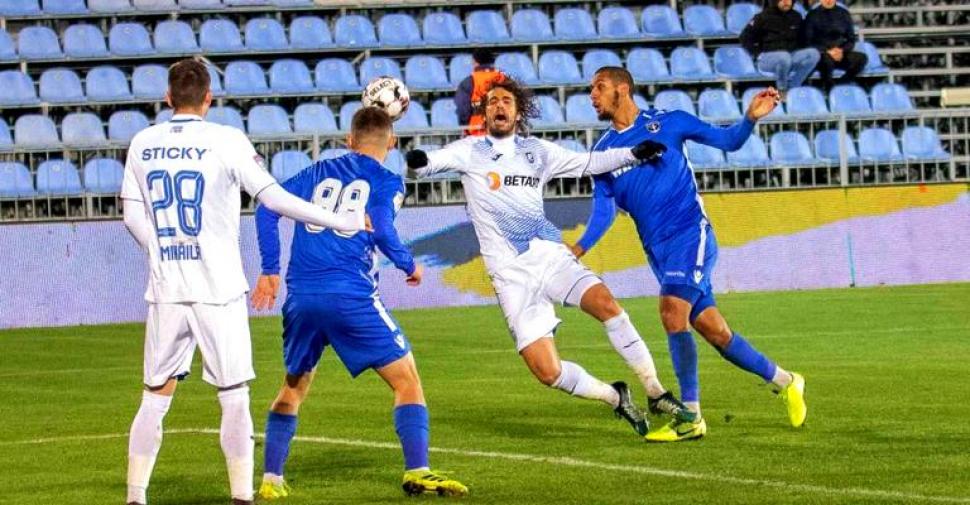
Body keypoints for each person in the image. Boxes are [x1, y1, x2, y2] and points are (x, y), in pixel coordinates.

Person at [120, 59, 366, 505]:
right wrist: (339, 220)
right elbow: (273, 197)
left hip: (167, 288)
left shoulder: (143, 142)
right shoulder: (227, 139)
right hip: (218, 288)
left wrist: (157, 250)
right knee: (233, 395)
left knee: (154, 396)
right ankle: (241, 496)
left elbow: (132, 213)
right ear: (209, 98)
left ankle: (135, 496)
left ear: (168, 97)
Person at [406, 78, 697, 438]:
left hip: (549, 256)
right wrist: (418, 162)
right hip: (511, 276)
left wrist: (633, 153)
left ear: (517, 112)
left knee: (606, 304)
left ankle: (655, 391)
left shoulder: (537, 151)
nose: (499, 106)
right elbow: (428, 164)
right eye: (492, 101)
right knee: (547, 372)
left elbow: (589, 162)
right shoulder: (470, 150)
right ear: (484, 113)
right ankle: (614, 396)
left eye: (506, 101)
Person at [571, 66, 807, 442]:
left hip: (690, 233)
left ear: (623, 89)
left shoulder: (670, 122)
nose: (592, 95)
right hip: (658, 251)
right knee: (715, 331)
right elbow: (604, 209)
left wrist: (749, 118)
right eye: (591, 90)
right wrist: (579, 248)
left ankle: (691, 416)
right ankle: (787, 381)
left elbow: (729, 141)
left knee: (671, 312)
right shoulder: (602, 153)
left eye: (599, 87)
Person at [251, 107, 468, 500]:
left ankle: (271, 479)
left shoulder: (317, 171)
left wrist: (269, 269)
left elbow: (267, 208)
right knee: (407, 380)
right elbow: (382, 228)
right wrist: (408, 264)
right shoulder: (387, 180)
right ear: (393, 142)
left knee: (294, 386)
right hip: (350, 296)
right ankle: (418, 470)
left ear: (348, 141)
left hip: (301, 298)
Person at [740, 0, 820, 95]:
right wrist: (757, 54)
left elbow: (803, 39)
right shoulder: (762, 17)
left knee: (814, 54)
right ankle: (782, 89)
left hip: (791, 56)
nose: (786, 2)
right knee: (784, 56)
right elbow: (744, 37)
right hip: (767, 58)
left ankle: (794, 87)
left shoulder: (796, 16)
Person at [804, 0, 868, 90]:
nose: (828, 1)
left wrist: (841, 50)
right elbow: (807, 41)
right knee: (827, 60)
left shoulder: (844, 13)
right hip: (822, 54)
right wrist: (827, 51)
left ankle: (840, 85)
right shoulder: (812, 15)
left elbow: (851, 39)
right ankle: (828, 88)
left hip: (840, 52)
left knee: (862, 58)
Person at [455, 48, 506, 136]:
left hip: (477, 131)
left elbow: (463, 109)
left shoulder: (469, 81)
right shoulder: (504, 79)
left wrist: (465, 127)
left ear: (475, 62)